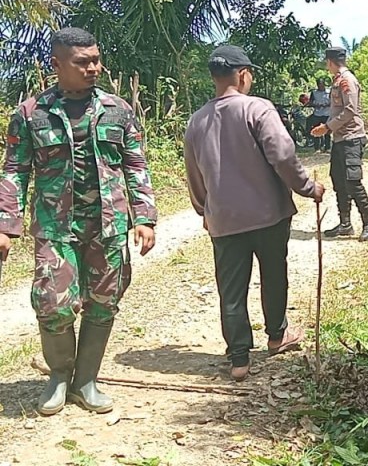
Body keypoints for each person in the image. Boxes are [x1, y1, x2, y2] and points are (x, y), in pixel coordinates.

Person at [0, 27, 158, 415]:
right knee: (53, 303)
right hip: (56, 226)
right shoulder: (30, 113)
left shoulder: (117, 109)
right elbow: (15, 170)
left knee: (104, 302)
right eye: (83, 62)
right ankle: (58, 376)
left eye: (96, 59)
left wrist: (145, 216)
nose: (94, 68)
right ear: (57, 65)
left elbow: (135, 163)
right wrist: (6, 224)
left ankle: (85, 381)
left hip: (107, 224)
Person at [184, 45, 325, 381]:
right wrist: (308, 188)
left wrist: (205, 208)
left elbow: (193, 172)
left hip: (224, 219)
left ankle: (239, 359)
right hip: (268, 214)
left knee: (231, 287)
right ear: (243, 75)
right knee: (274, 273)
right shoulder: (258, 109)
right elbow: (283, 155)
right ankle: (276, 336)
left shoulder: (197, 120)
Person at [311, 47, 368, 241]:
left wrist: (327, 127)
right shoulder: (337, 80)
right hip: (340, 139)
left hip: (351, 138)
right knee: (338, 181)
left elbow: (350, 110)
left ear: (330, 62)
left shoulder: (347, 80)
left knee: (352, 181)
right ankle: (345, 224)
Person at [308, 79, 331, 153]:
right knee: (316, 130)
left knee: (327, 130)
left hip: (327, 113)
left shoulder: (329, 91)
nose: (321, 86)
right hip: (317, 114)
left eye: (322, 84)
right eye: (319, 85)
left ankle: (327, 147)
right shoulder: (314, 93)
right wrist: (316, 105)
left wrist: (327, 104)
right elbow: (310, 102)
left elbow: (334, 101)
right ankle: (317, 148)